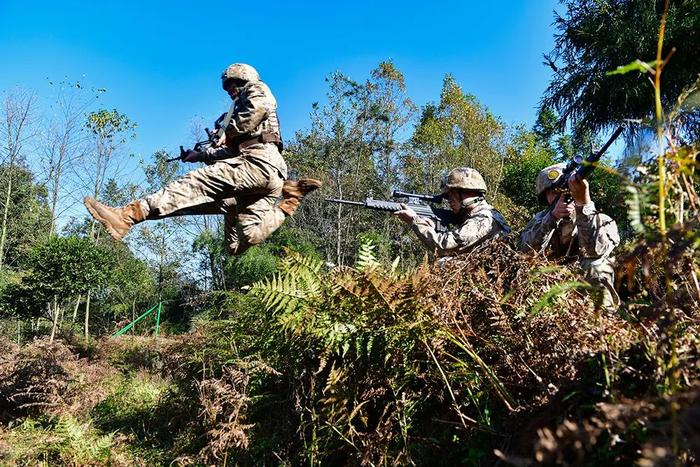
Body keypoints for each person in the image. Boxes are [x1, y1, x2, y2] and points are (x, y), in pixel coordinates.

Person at [84, 63, 321, 255]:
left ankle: (126, 216)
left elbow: (257, 109)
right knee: (245, 237)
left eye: (232, 84)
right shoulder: (240, 115)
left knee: (192, 184)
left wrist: (227, 133)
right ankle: (291, 201)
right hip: (270, 175)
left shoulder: (256, 89)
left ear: (244, 79)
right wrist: (200, 155)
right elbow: (230, 151)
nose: (229, 89)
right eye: (227, 86)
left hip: (259, 163)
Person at [519, 163, 620, 310]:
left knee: (596, 266)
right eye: (555, 192)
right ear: (545, 196)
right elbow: (525, 252)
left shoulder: (602, 220)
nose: (563, 197)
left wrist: (584, 205)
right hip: (548, 285)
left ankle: (603, 321)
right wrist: (552, 218)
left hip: (582, 286)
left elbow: (596, 251)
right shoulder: (539, 220)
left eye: (569, 191)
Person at [394, 167, 511, 257]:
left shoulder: (484, 219)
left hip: (492, 280)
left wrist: (415, 221)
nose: (449, 201)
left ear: (469, 192)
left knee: (445, 263)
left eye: (452, 195)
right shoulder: (475, 216)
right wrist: (431, 228)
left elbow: (443, 247)